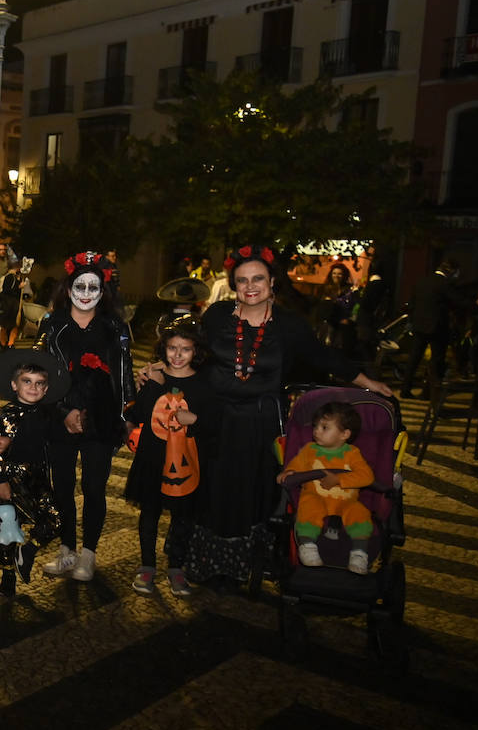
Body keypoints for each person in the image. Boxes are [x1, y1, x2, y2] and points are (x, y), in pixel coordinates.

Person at [140, 245, 391, 592]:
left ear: (272, 281)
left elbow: (323, 357)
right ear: (234, 284)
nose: (250, 287)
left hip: (260, 423)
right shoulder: (217, 315)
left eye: (257, 279)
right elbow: (189, 351)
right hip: (212, 420)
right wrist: (157, 369)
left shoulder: (289, 325)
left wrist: (368, 382)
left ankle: (247, 567)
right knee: (210, 492)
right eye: (242, 280)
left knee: (251, 494)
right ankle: (204, 564)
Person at [35, 251, 135, 583]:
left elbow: (124, 373)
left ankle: (88, 555)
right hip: (59, 416)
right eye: (81, 286)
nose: (87, 293)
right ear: (69, 288)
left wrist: (128, 414)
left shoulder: (114, 326)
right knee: (62, 488)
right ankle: (66, 551)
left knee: (94, 488)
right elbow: (39, 374)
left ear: (103, 291)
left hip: (101, 418)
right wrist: (63, 412)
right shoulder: (53, 324)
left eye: (94, 287)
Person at [123, 317, 217, 598]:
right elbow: (139, 414)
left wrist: (194, 420)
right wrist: (152, 385)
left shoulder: (203, 384)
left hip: (185, 461)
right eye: (172, 348)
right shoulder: (153, 375)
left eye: (185, 349)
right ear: (163, 348)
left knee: (182, 516)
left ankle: (176, 567)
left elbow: (214, 426)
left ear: (195, 351)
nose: (177, 355)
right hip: (153, 457)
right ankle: (147, 565)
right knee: (149, 512)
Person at [0, 349, 68, 597]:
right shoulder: (5, 415)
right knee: (6, 530)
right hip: (9, 479)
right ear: (14, 385)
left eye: (40, 383)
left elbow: (51, 439)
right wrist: (0, 481)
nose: (33, 388)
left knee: (56, 519)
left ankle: (28, 551)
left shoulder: (47, 413)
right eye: (27, 381)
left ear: (46, 389)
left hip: (36, 479)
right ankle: (8, 575)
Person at [278, 401, 375, 574]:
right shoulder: (310, 450)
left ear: (344, 434)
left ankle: (359, 552)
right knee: (308, 508)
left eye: (324, 428)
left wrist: (338, 479)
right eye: (315, 426)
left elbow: (367, 476)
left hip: (346, 502)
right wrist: (289, 472)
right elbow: (297, 465)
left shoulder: (352, 454)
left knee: (360, 514)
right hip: (316, 497)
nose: (316, 431)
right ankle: (307, 545)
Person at [401, 257, 463, 398]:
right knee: (436, 360)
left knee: (414, 358)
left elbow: (412, 303)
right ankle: (429, 391)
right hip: (437, 328)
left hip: (419, 326)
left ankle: (405, 389)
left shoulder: (422, 281)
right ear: (451, 271)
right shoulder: (444, 284)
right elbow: (458, 301)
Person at [0, 258, 28, 349]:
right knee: (8, 324)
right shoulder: (10, 277)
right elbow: (7, 290)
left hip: (12, 304)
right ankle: (6, 342)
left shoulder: (15, 277)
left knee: (12, 324)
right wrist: (19, 287)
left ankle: (9, 342)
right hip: (10, 304)